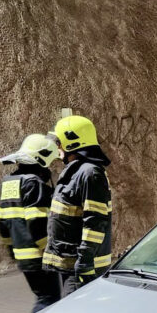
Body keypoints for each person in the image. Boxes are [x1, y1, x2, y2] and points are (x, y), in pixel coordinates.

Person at [43, 115, 112, 297]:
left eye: (59, 143)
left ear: (72, 143)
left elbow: (95, 222)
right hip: (70, 265)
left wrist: (85, 262)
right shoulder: (76, 171)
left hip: (81, 268)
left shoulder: (90, 173)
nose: (57, 148)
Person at [0, 134, 62, 312]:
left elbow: (2, 222)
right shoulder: (33, 183)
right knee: (49, 300)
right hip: (38, 256)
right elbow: (36, 223)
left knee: (43, 296)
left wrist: (12, 250)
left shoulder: (8, 183)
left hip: (22, 255)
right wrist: (49, 252)